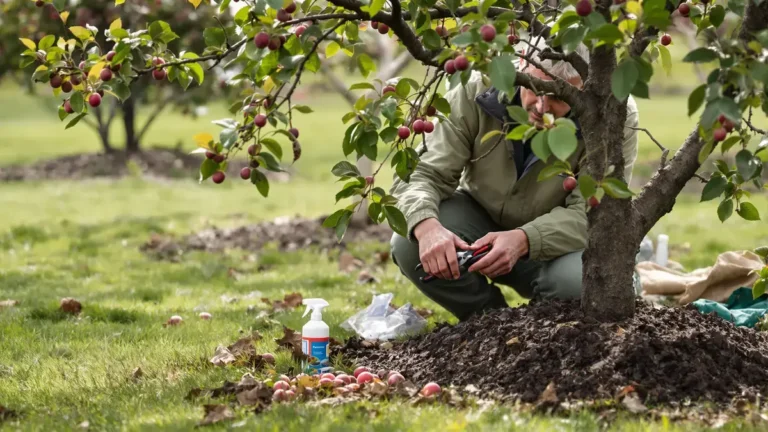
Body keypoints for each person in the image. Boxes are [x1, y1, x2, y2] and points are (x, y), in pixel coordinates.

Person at [389, 41, 640, 321]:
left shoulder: (612, 116)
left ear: (585, 85)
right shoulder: (477, 88)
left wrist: (524, 239)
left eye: (559, 97)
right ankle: (488, 322)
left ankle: (544, 327)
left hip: (560, 248)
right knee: (410, 242)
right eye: (534, 87)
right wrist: (428, 229)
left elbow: (593, 213)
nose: (541, 107)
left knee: (581, 283)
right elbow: (424, 172)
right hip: (479, 220)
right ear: (522, 63)